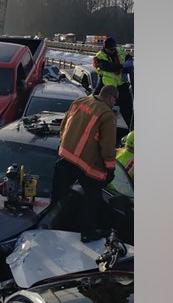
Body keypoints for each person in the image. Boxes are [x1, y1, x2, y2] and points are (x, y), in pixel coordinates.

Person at [52, 85, 119, 243]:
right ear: (110, 97)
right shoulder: (107, 115)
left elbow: (65, 125)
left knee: (58, 194)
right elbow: (107, 146)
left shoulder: (80, 101)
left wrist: (63, 143)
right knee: (93, 198)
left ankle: (53, 223)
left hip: (66, 157)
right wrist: (110, 168)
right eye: (115, 99)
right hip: (86, 163)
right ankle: (87, 232)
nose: (115, 103)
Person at [93, 37, 133, 130]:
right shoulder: (100, 56)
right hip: (106, 86)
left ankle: (133, 131)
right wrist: (123, 66)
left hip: (121, 85)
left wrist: (129, 61)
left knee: (128, 110)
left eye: (114, 48)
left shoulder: (119, 51)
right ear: (105, 48)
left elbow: (126, 56)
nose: (113, 51)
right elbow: (109, 67)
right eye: (110, 49)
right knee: (97, 104)